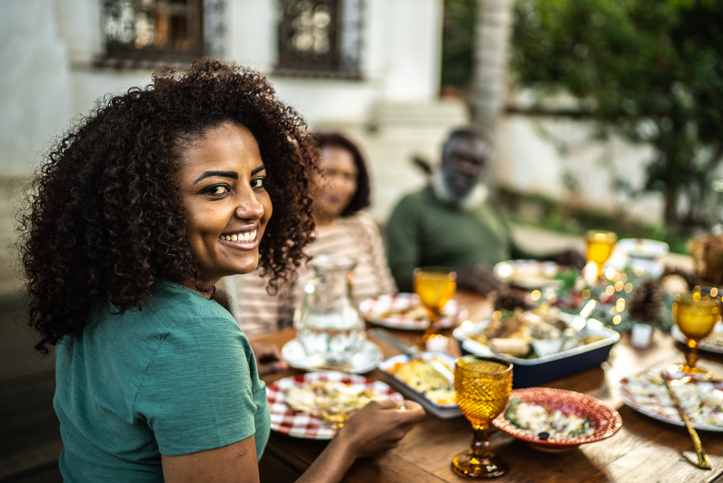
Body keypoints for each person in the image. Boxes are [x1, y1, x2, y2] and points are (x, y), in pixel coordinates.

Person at [19, 58, 424, 482]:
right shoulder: (197, 339)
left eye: (259, 181)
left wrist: (239, 369)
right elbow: (180, 352)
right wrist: (351, 441)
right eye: (217, 189)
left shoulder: (104, 287)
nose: (253, 207)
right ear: (148, 207)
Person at [229, 132, 396, 337]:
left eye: (349, 176)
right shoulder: (275, 239)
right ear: (301, 175)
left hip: (374, 349)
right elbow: (257, 334)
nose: (340, 185)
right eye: (329, 172)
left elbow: (389, 299)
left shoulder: (362, 227)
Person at [386, 127, 586, 295]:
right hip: (452, 310)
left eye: (475, 162)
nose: (466, 167)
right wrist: (456, 278)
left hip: (502, 301)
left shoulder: (484, 203)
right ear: (442, 159)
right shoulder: (411, 206)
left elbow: (514, 254)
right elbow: (402, 279)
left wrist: (554, 258)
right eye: (458, 158)